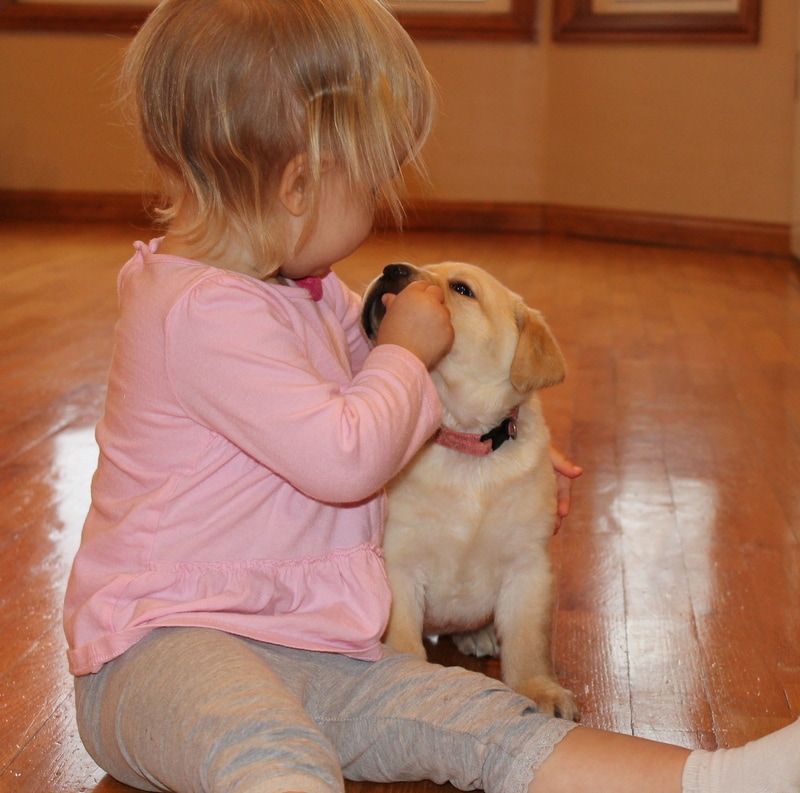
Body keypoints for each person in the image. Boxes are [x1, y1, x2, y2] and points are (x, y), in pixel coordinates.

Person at [63, 0, 799, 791]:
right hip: (159, 652)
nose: (380, 203)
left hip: (307, 643)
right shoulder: (195, 311)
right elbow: (347, 452)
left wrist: (503, 436)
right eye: (373, 178)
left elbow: (393, 396)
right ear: (299, 183)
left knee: (468, 714)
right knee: (271, 750)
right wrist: (407, 353)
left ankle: (722, 780)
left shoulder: (304, 292)